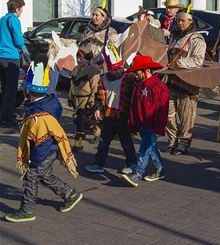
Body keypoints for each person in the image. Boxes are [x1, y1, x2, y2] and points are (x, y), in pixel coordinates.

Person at [5, 62, 82, 222]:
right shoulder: (48, 103)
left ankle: (26, 210)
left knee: (31, 177)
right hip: (49, 149)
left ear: (28, 90)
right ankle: (70, 194)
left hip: (43, 150)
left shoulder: (39, 114)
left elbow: (42, 138)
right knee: (45, 176)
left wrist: (35, 158)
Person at [84, 47, 137, 174]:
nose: (117, 71)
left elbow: (135, 98)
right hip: (108, 117)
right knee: (103, 142)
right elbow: (99, 96)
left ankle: (132, 164)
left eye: (119, 68)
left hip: (123, 117)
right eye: (114, 69)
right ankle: (98, 164)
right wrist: (97, 108)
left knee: (126, 143)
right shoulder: (103, 79)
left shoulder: (129, 78)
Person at [122, 56, 169, 187]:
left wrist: (158, 128)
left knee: (144, 150)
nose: (136, 76)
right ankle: (160, 169)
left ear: (146, 70)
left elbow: (162, 110)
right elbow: (134, 106)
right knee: (151, 148)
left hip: (152, 125)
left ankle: (137, 174)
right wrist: (133, 124)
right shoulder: (138, 86)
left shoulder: (159, 87)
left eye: (137, 73)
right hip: (141, 123)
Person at [164, 9, 206, 155]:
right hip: (170, 81)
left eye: (183, 20)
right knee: (168, 114)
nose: (180, 23)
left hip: (188, 83)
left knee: (186, 116)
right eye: (178, 20)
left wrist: (179, 63)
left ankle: (184, 142)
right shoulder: (174, 36)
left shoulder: (197, 39)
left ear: (190, 21)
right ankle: (172, 140)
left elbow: (198, 60)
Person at [0, 0, 26, 126]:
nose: (22, 12)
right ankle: (8, 117)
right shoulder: (14, 20)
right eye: (21, 10)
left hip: (1, 57)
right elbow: (18, 40)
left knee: (4, 87)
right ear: (17, 9)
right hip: (11, 57)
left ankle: (4, 113)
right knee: (11, 89)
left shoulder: (2, 19)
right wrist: (23, 47)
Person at [68, 49, 100, 151]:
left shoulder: (93, 71)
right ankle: (97, 132)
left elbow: (95, 89)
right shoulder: (75, 69)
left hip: (86, 99)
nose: (78, 60)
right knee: (84, 121)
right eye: (77, 58)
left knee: (80, 122)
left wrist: (91, 102)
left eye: (81, 58)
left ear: (87, 59)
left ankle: (78, 144)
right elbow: (72, 84)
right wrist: (70, 97)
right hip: (77, 98)